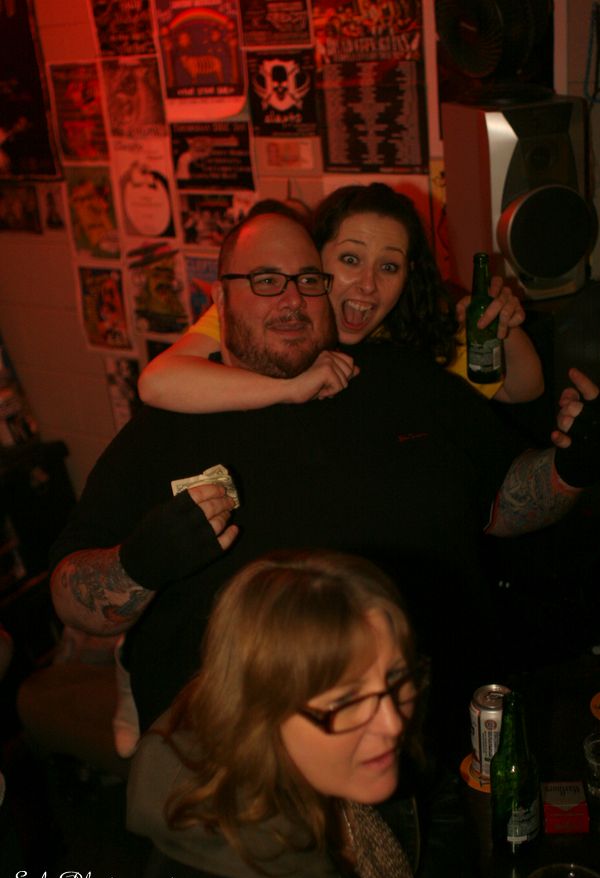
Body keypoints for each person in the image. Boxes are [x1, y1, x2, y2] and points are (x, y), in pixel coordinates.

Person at [49, 207, 600, 756]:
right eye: (266, 280)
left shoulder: (405, 379)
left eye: (308, 280)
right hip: (242, 775)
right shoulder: (169, 424)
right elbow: (71, 596)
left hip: (436, 750)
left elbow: (507, 503)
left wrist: (573, 463)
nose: (292, 300)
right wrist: (138, 564)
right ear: (220, 299)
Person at [128, 549, 476, 878]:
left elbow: (436, 795)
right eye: (347, 701)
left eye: (396, 677)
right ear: (259, 716)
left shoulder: (370, 737)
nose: (394, 724)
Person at [136, 185, 544, 412]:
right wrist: (291, 388)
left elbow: (522, 390)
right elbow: (158, 382)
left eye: (388, 267)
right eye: (350, 259)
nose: (368, 285)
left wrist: (504, 328)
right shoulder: (272, 309)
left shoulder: (413, 326)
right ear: (316, 257)